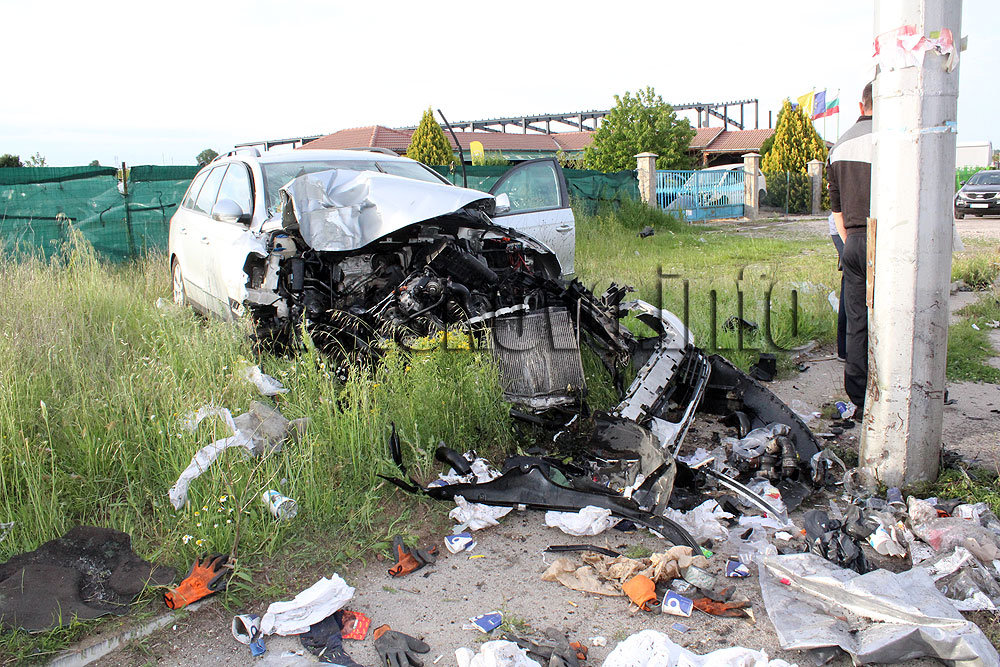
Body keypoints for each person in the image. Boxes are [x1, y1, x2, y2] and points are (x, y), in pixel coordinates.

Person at [827, 82, 873, 412]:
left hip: (853, 241)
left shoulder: (839, 146)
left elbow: (836, 210)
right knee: (897, 317)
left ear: (861, 105)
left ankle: (859, 396)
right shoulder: (895, 138)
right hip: (887, 240)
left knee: (857, 322)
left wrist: (850, 243)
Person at [828, 212, 847, 361]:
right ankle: (844, 349)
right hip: (844, 229)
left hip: (845, 229)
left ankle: (845, 349)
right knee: (850, 285)